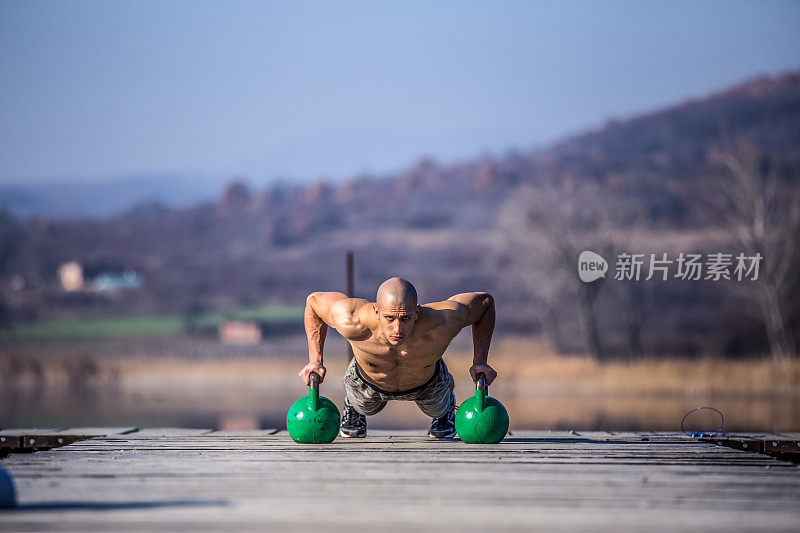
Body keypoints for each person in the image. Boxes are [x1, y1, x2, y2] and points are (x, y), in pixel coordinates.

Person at [299, 277, 496, 438]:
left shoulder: (442, 321)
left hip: (429, 383)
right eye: (390, 318)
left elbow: (485, 303)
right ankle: (353, 408)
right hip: (367, 382)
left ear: (417, 312)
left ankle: (444, 414)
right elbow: (314, 302)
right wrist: (315, 360)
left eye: (406, 318)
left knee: (439, 410)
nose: (398, 329)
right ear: (376, 311)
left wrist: (480, 361)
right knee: (363, 406)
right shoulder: (352, 318)